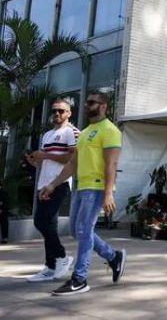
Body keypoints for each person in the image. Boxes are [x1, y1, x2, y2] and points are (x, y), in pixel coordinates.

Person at [39, 91, 126, 296]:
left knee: (85, 230)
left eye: (92, 102)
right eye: (86, 103)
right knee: (76, 231)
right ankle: (113, 257)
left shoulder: (110, 130)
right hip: (82, 186)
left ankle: (80, 278)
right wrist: (53, 185)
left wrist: (108, 193)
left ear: (104, 106)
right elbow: (72, 163)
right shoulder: (86, 131)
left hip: (97, 188)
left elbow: (112, 163)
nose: (87, 105)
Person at [25, 99, 80, 282]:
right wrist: (34, 159)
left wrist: (46, 155)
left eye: (61, 111)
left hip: (60, 183)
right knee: (49, 224)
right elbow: (43, 159)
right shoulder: (48, 134)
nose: (57, 114)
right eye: (54, 111)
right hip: (44, 183)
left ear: (69, 113)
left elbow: (72, 159)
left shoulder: (72, 132)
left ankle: (63, 257)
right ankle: (50, 267)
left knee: (41, 221)